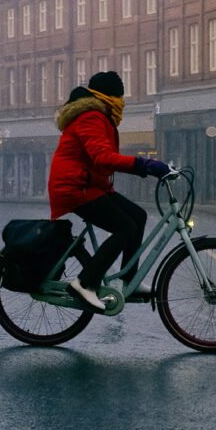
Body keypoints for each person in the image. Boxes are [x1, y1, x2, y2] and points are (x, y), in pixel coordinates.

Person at [47, 71, 170, 313]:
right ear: (109, 96)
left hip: (90, 184)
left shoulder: (100, 116)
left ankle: (129, 281)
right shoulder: (91, 116)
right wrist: (145, 165)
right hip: (75, 187)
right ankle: (84, 283)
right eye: (119, 96)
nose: (122, 101)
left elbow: (102, 162)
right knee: (125, 227)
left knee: (138, 216)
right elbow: (103, 157)